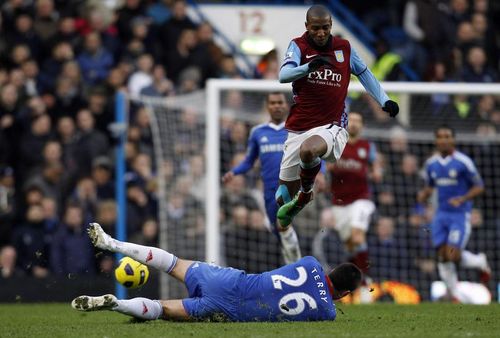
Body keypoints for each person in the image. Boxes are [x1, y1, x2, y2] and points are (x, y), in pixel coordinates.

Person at [71, 223, 362, 322]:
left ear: (331, 268)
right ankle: (117, 304)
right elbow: (323, 300)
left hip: (234, 281)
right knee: (161, 310)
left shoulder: (311, 263)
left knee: (173, 263)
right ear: (346, 294)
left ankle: (112, 243)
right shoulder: (328, 313)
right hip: (230, 309)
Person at [276, 5, 398, 232]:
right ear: (307, 27)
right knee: (282, 199)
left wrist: (384, 100)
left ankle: (306, 194)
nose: (321, 33)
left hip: (333, 126)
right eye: (316, 29)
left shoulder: (345, 48)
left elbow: (364, 73)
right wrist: (308, 67)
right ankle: (291, 221)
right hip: (299, 127)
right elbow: (284, 75)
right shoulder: (299, 45)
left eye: (325, 28)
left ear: (331, 26)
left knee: (308, 151)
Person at [222, 92, 301, 263]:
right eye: (272, 103)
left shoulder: (296, 130)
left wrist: (321, 174)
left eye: (280, 102)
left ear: (286, 105)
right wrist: (234, 172)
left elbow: (313, 155)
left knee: (286, 226)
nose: (277, 106)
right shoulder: (258, 132)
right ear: (267, 106)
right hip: (269, 190)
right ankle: (291, 265)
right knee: (277, 230)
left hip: (291, 187)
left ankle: (296, 264)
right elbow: (249, 161)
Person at [417, 125, 491, 303]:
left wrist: (463, 198)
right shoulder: (431, 164)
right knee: (442, 256)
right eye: (440, 137)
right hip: (440, 214)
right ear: (436, 141)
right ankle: (454, 295)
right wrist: (424, 194)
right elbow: (430, 186)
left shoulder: (463, 162)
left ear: (453, 140)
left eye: (447, 136)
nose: (443, 140)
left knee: (452, 255)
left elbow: (479, 186)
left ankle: (479, 261)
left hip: (459, 215)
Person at [323, 112, 381, 301]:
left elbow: (376, 166)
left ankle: (366, 282)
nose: (354, 124)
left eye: (358, 121)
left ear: (362, 126)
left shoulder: (367, 147)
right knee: (350, 245)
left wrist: (377, 172)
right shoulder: (337, 144)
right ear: (346, 124)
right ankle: (351, 286)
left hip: (361, 199)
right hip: (339, 202)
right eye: (352, 121)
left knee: (357, 236)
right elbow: (326, 167)